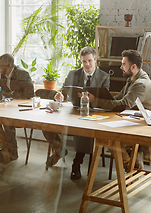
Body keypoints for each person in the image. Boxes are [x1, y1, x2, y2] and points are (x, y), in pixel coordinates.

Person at [43, 46, 110, 180]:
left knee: (83, 130)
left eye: (90, 61)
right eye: (84, 61)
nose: (87, 65)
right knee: (46, 125)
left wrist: (92, 99)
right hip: (73, 111)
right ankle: (60, 149)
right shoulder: (73, 74)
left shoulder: (104, 76)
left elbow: (105, 99)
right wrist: (60, 95)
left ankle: (76, 163)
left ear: (95, 60)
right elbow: (63, 91)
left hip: (93, 113)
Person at [89, 49, 151, 170]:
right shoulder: (132, 80)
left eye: (123, 64)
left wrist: (95, 100)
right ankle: (131, 166)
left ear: (133, 66)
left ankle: (129, 167)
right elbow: (117, 99)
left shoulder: (140, 83)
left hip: (145, 129)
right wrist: (100, 97)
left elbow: (122, 105)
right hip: (133, 122)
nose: (121, 67)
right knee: (105, 135)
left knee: (107, 137)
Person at [0, 53, 34, 163]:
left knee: (6, 120)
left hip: (23, 109)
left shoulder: (22, 74)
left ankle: (9, 150)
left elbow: (29, 94)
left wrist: (8, 94)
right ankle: (6, 148)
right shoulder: (4, 74)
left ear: (9, 66)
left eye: (0, 66)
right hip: (9, 109)